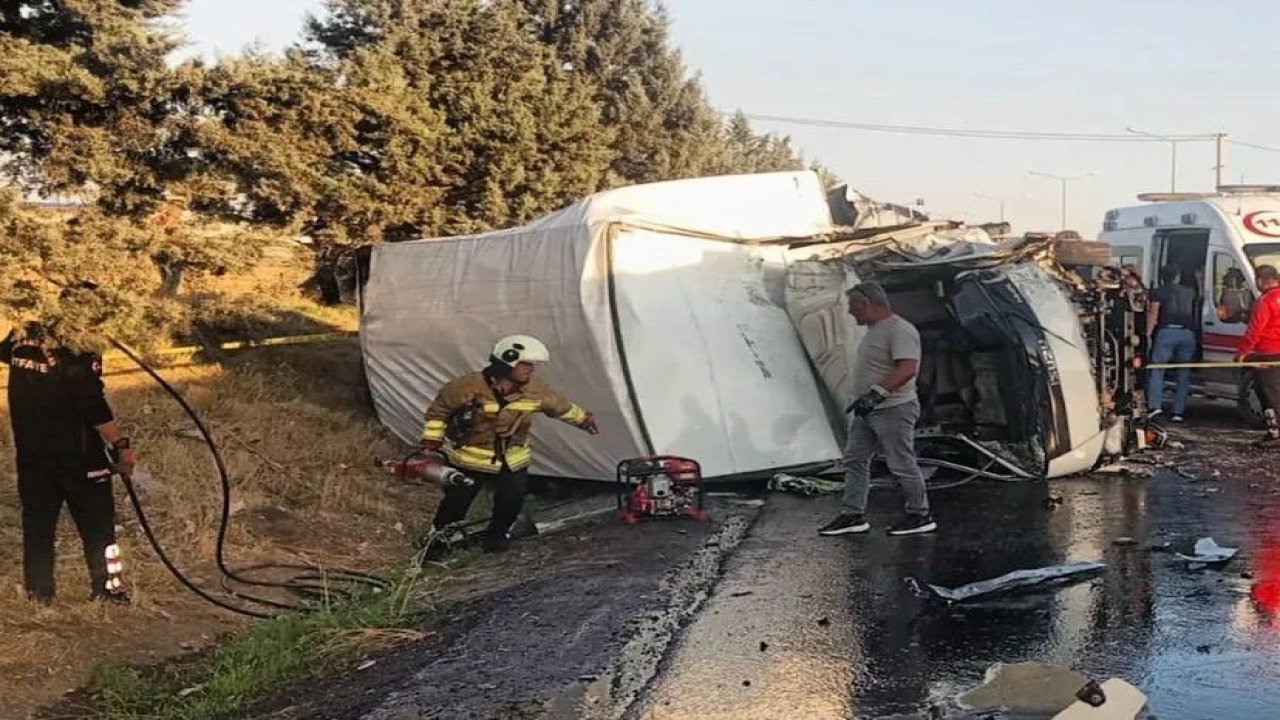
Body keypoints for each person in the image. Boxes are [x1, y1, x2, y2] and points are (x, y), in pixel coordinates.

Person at [420, 335, 599, 552]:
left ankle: (497, 537)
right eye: (526, 364)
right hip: (470, 457)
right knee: (457, 501)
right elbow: (438, 414)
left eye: (533, 365)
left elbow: (560, 407)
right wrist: (431, 445)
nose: (531, 370)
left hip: (513, 457)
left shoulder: (535, 389)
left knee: (512, 499)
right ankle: (436, 541)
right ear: (506, 362)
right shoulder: (465, 387)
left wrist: (583, 420)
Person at [1, 323, 136, 604]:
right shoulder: (80, 348)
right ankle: (109, 590)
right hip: (81, 458)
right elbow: (92, 404)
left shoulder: (22, 337)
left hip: (33, 456)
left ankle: (38, 595)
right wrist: (121, 445)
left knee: (38, 527)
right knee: (99, 529)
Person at [819, 282, 935, 537]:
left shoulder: (899, 329)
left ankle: (920, 514)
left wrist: (876, 394)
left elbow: (907, 368)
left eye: (853, 306)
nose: (851, 312)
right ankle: (852, 515)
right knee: (855, 459)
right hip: (867, 410)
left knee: (901, 462)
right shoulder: (875, 329)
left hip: (893, 408)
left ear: (867, 303)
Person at [1145, 265, 1198, 422]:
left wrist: (1147, 334)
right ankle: (1178, 412)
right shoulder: (1190, 292)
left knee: (1157, 370)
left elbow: (1154, 313)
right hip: (1188, 334)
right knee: (1183, 373)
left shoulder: (1158, 292)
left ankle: (1155, 407)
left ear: (1162, 277)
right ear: (1177, 276)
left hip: (1166, 332)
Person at [1238, 265, 1280, 449]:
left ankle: (1275, 432)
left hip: (1266, 354)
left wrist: (1243, 352)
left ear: (1261, 280)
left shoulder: (1265, 301)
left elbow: (1255, 329)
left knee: (1268, 395)